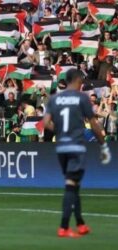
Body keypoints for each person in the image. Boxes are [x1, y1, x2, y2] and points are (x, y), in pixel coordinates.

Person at [43, 69, 111, 238]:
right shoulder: (82, 98)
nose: (83, 82)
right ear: (77, 79)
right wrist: (103, 146)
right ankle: (64, 227)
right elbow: (94, 124)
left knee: (73, 186)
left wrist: (60, 132)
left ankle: (80, 223)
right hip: (76, 147)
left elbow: (45, 123)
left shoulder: (54, 99)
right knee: (71, 186)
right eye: (82, 79)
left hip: (61, 148)